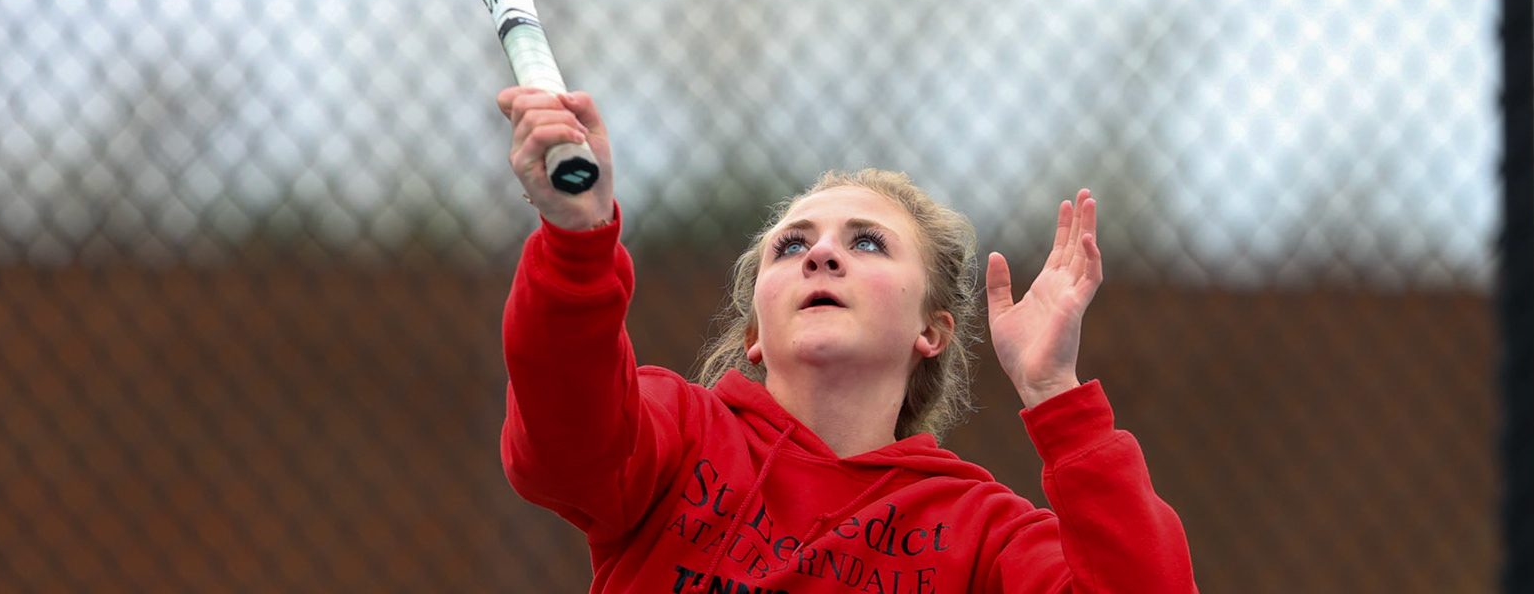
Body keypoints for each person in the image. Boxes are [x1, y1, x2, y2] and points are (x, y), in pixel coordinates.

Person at [497, 87, 1197, 594]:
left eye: (867, 242)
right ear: (754, 336)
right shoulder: (676, 439)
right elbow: (560, 446)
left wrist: (1055, 396)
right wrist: (577, 243)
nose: (820, 255)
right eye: (791, 245)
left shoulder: (982, 533)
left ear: (931, 329)